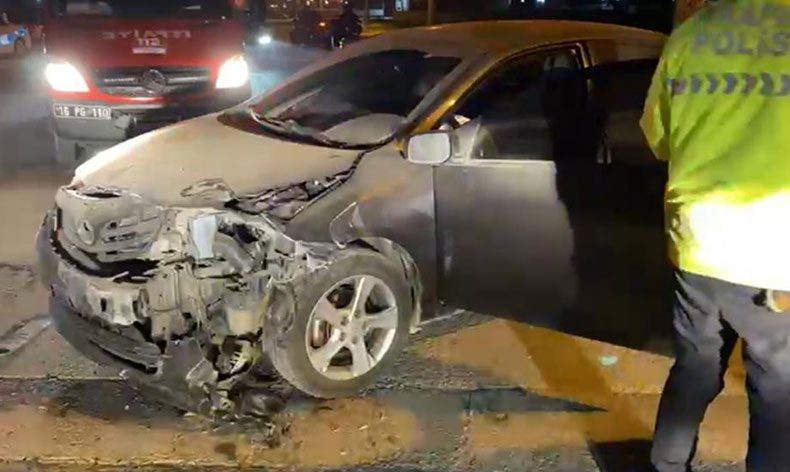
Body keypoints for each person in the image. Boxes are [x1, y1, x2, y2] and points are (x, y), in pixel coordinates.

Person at [641, 1, 790, 471]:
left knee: (695, 368)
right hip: (775, 249)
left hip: (698, 239)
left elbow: (658, 137)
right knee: (777, 390)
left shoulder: (692, 34)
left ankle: (666, 466)